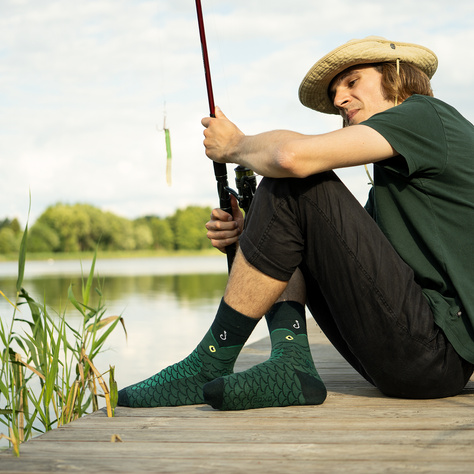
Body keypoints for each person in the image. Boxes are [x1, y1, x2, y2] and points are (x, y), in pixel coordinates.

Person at [118, 36, 474, 410]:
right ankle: (291, 364)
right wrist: (252, 233)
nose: (339, 100)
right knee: (281, 201)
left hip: (433, 354)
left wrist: (236, 145)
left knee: (296, 178)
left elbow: (289, 157)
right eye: (337, 91)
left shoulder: (426, 114)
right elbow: (345, 263)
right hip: (416, 360)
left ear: (398, 75)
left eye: (352, 82)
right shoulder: (395, 181)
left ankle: (210, 360)